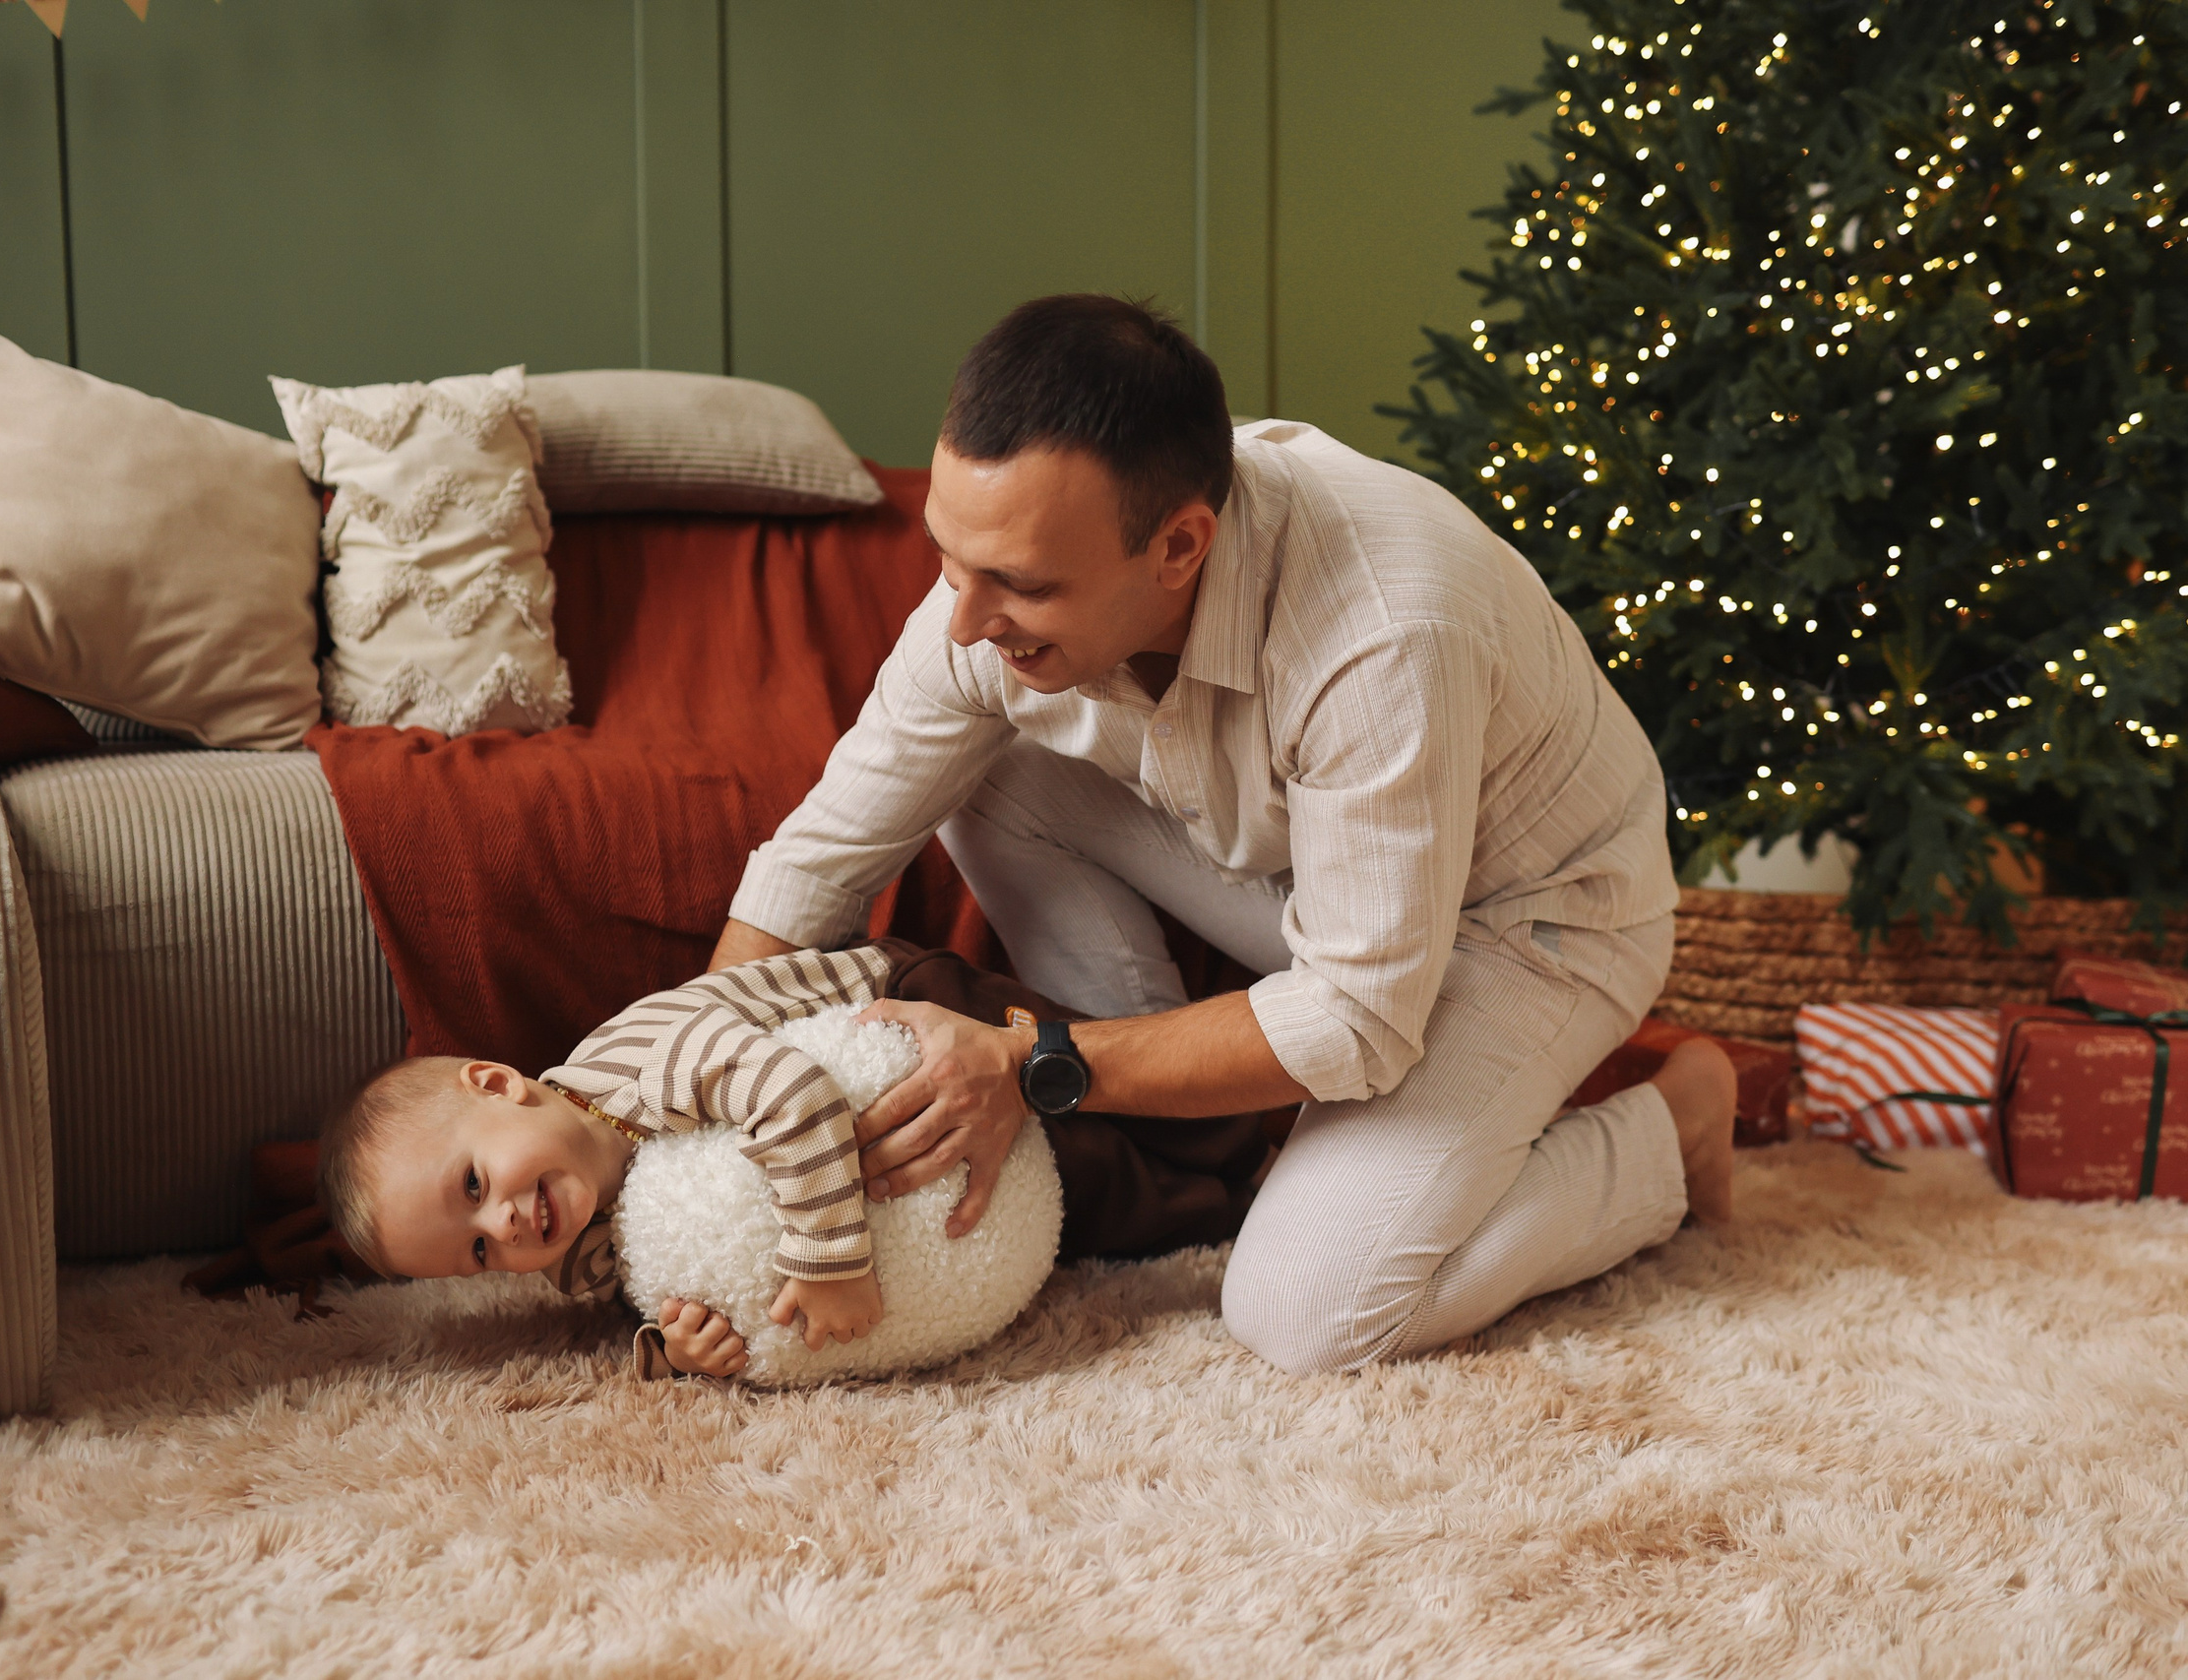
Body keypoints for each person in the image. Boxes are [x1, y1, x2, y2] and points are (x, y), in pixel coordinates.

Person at [717, 293, 1737, 1376]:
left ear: (1179, 546)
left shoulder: (1382, 629)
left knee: (1307, 1315)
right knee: (987, 775)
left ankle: (1671, 1130)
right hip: (1317, 898)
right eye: (948, 561)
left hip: (1534, 920)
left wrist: (1032, 1063)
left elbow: (1357, 1021)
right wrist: (658, 1105)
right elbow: (817, 865)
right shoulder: (988, 602)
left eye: (1019, 584)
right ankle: (1193, 1148)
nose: (964, 621)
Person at [315, 941, 1278, 1380]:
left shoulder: (643, 1066)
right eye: (477, 1252)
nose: (505, 1226)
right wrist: (675, 1346)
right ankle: (1228, 1205)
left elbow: (794, 1096)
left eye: (474, 1186)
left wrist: (831, 1262)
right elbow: (643, 1297)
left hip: (905, 1018)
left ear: (496, 1083)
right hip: (877, 1155)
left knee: (1083, 1110)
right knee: (1094, 1215)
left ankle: (1254, 1114)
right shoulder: (571, 1249)